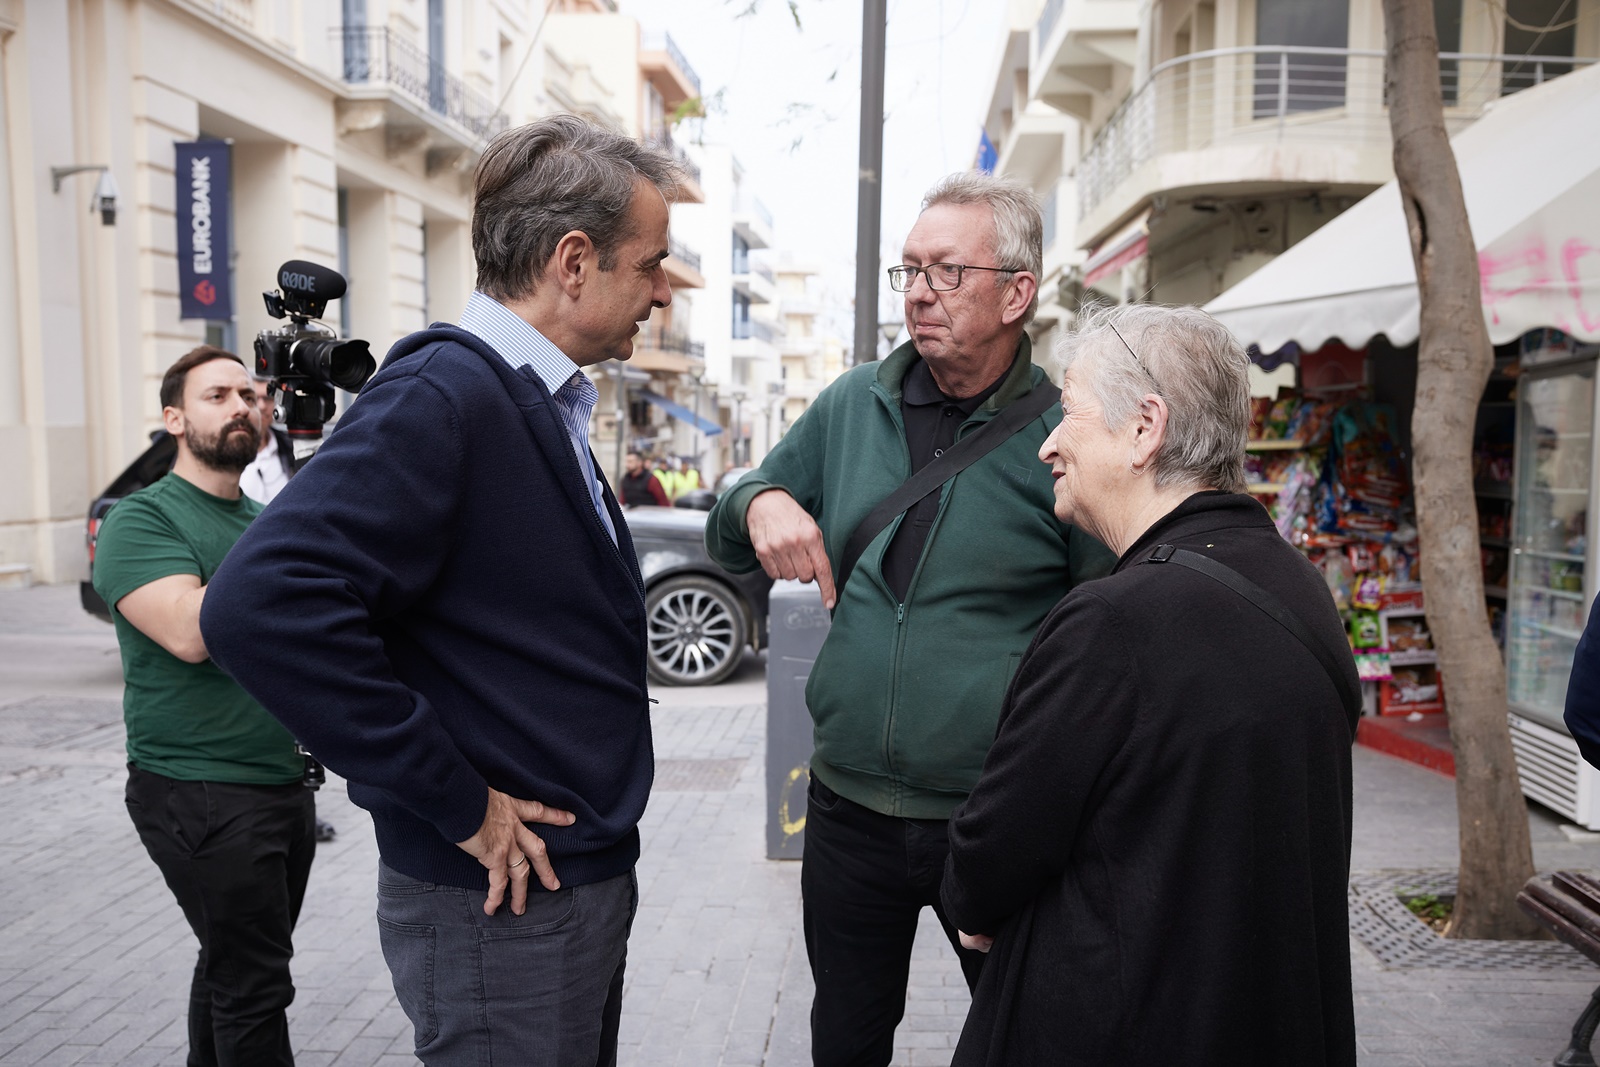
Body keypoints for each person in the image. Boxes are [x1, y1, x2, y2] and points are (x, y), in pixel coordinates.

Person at [199, 115, 679, 1065]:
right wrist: (459, 801)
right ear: (573, 261)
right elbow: (258, 605)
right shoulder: (447, 393)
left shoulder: (526, 395)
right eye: (650, 265)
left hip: (553, 893)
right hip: (500, 905)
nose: (661, 293)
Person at [705, 172, 1115, 1067]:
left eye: (946, 271)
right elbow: (727, 521)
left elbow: (1107, 627)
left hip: (994, 822)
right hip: (846, 810)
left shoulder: (1065, 431)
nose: (920, 291)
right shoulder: (854, 402)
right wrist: (759, 496)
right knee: (844, 1044)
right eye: (908, 271)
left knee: (1025, 1039)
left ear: (1018, 292)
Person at [939, 304, 1358, 1066]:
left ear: (1144, 428)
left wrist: (973, 906)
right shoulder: (1301, 585)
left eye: (1068, 412)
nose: (1048, 445)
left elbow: (991, 851)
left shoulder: (1115, 621)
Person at [92, 345, 316, 1066]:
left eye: (253, 396)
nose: (243, 408)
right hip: (200, 789)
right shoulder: (143, 518)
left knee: (228, 964)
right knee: (254, 984)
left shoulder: (264, 518)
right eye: (218, 395)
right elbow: (190, 631)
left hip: (281, 787)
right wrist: (291, 551)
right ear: (174, 418)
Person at [239, 378, 294, 505]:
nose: (262, 406)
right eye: (252, 398)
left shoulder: (291, 447)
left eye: (268, 398)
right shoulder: (224, 450)